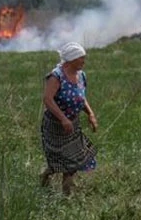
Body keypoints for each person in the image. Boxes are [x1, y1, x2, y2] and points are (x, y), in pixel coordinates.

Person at [39, 41, 99, 195]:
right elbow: (47, 99)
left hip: (73, 125)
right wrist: (63, 119)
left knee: (73, 162)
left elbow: (81, 98)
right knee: (60, 161)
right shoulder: (56, 76)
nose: (84, 62)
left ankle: (67, 194)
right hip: (55, 126)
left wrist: (90, 114)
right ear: (71, 60)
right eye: (81, 59)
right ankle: (46, 175)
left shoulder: (81, 76)